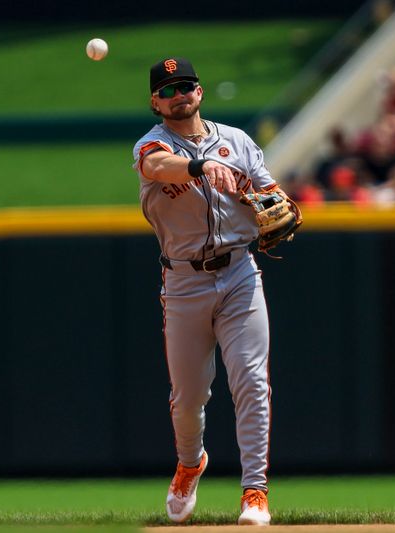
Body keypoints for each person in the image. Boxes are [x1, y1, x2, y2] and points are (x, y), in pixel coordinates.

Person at [131, 56, 293, 526]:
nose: (179, 94)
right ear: (155, 102)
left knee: (252, 383)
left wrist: (276, 203)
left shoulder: (238, 141)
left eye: (186, 85)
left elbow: (272, 192)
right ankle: (189, 463)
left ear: (199, 92)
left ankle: (255, 491)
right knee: (189, 396)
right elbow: (160, 168)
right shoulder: (151, 144)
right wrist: (200, 165)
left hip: (241, 272)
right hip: (184, 281)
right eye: (168, 89)